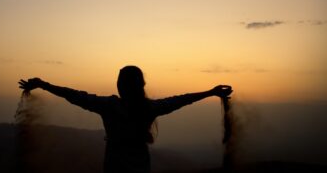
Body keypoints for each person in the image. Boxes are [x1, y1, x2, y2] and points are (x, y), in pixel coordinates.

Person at [19, 65, 232, 173]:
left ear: (121, 85)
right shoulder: (149, 108)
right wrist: (210, 92)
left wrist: (44, 84)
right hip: (140, 165)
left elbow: (74, 95)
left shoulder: (109, 106)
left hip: (114, 164)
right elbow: (181, 100)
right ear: (141, 85)